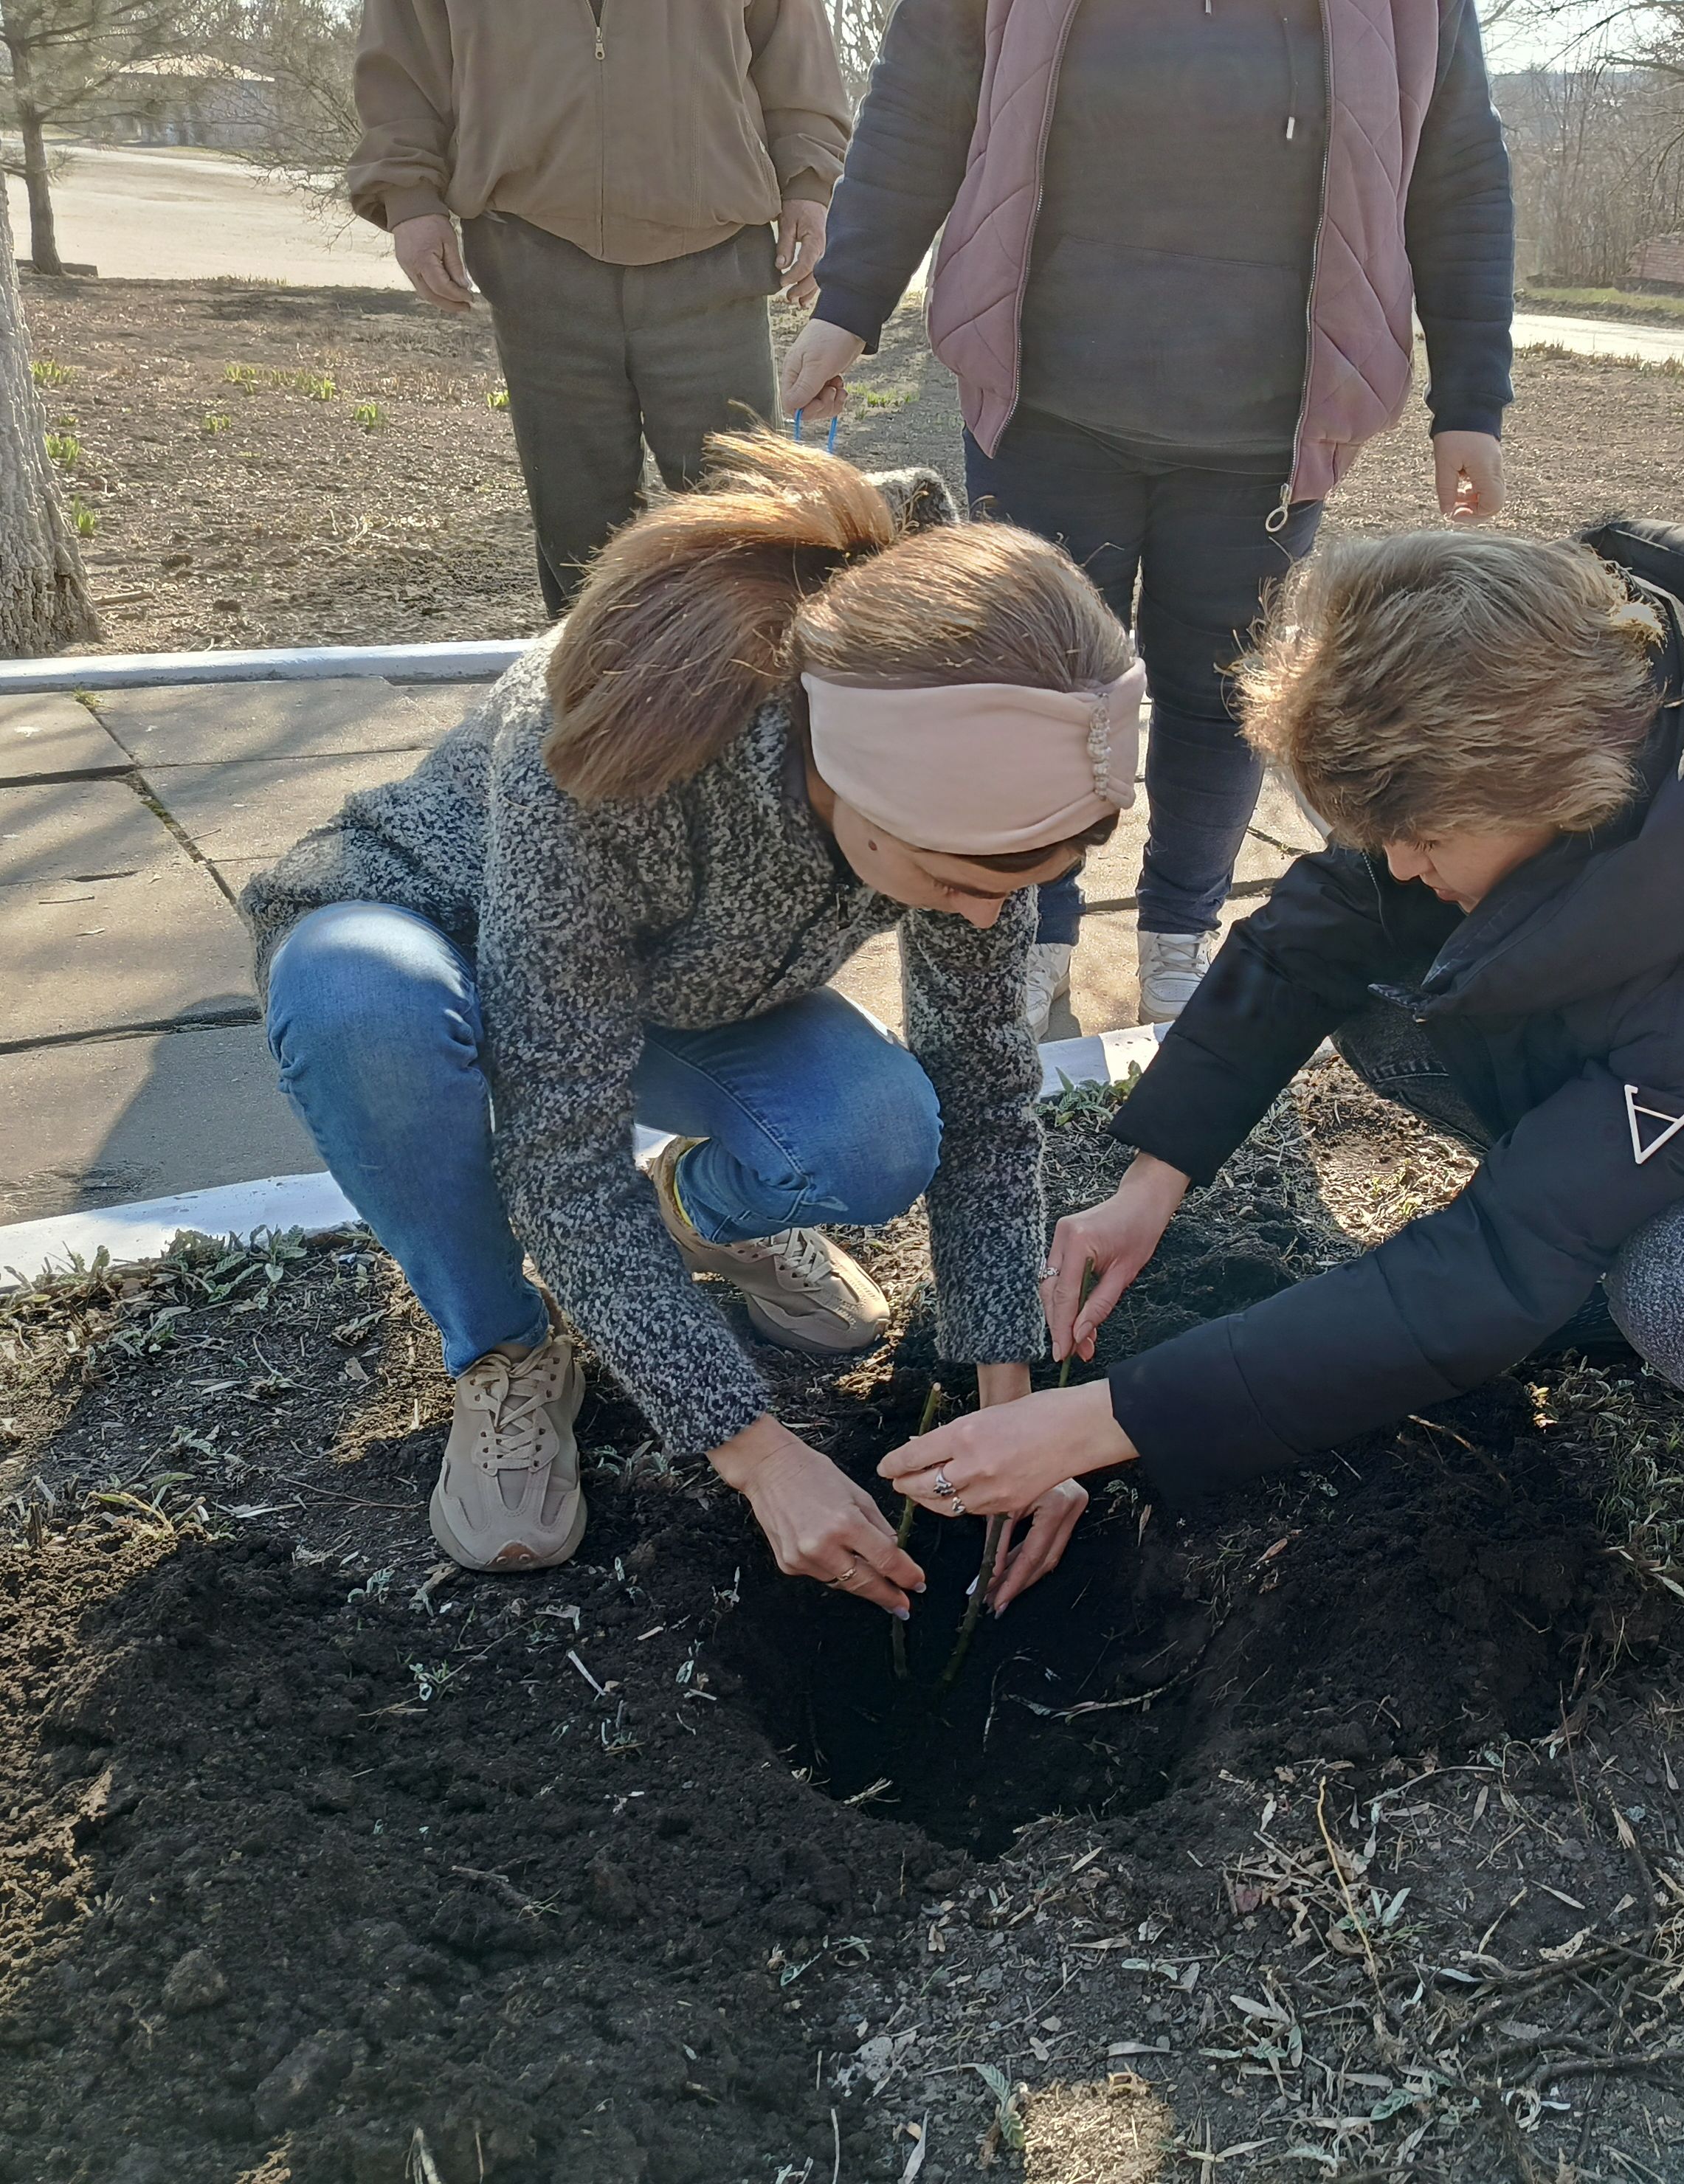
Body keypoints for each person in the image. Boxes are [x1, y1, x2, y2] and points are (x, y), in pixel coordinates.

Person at [874, 521, 1684, 1712]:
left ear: (1546, 789)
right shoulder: (1574, 723)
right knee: (1405, 982)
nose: (1394, 861)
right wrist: (1150, 1175)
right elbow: (1321, 924)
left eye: (1419, 835)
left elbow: (1487, 1269)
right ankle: (1617, 1236)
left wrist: (1103, 1421)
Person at [241, 438, 1144, 1608]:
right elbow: (562, 1156)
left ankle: (700, 1214)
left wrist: (1014, 1420)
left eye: (1018, 885)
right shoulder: (632, 744)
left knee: (873, 1135)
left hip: (673, 986)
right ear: (854, 783)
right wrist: (761, 1459)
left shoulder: (962, 799)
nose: (989, 916)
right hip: (438, 937)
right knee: (356, 998)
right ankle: (504, 1351)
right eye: (960, 880)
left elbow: (982, 1099)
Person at [778, 0, 1515, 1038]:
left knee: (1224, 700)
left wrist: (1470, 403)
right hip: (1043, 400)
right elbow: (919, 102)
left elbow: (1457, 168)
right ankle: (1032, 930)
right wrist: (847, 302)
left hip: (1267, 427)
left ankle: (1180, 934)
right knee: (1032, 690)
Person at [347, 0, 853, 615]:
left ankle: (753, 703)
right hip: (531, 253)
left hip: (714, 259)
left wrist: (809, 183)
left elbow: (793, 52)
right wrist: (408, 195)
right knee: (578, 539)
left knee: (748, 527)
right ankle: (592, 702)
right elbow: (403, 55)